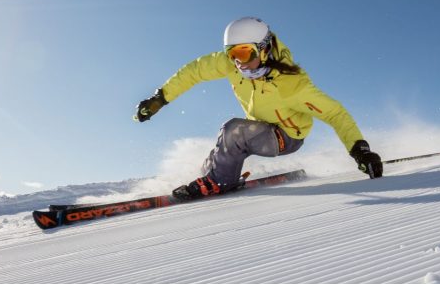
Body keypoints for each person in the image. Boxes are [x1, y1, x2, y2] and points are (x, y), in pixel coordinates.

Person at [134, 16, 383, 200]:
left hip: (287, 135)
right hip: (260, 127)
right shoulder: (233, 65)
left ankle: (220, 182)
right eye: (232, 54)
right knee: (215, 157)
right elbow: (194, 71)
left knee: (234, 131)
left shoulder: (292, 84)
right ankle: (216, 174)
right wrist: (160, 98)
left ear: (263, 48)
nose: (239, 63)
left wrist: (360, 151)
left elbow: (334, 113)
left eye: (245, 53)